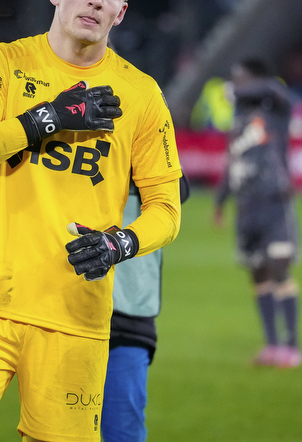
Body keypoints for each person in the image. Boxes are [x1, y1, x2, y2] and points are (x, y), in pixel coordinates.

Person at [0, 0, 183, 442]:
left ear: (121, 13)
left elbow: (167, 210)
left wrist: (120, 243)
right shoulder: (4, 62)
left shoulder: (143, 95)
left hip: (75, 318)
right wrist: (47, 118)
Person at [213, 58, 302, 369]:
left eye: (241, 78)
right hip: (246, 207)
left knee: (279, 269)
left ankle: (292, 347)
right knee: (257, 273)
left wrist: (238, 89)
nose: (236, 84)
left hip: (274, 203)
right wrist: (220, 202)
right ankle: (272, 345)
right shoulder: (239, 120)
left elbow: (275, 90)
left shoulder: (276, 112)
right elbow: (233, 162)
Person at [102, 175, 190, 442]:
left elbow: (177, 192)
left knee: (123, 433)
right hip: (60, 310)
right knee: (56, 432)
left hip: (127, 312)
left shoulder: (149, 150)